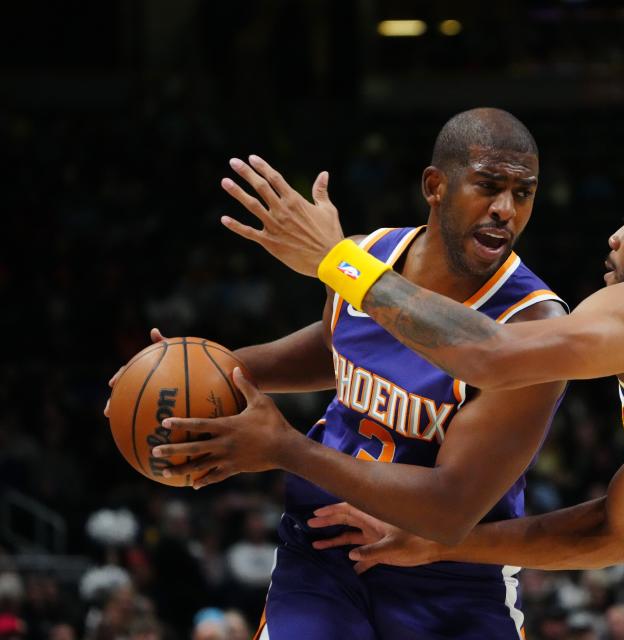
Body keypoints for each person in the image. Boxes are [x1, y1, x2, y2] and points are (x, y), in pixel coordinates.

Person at [156, 159, 624, 638]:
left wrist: (336, 260)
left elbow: (491, 356)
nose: (612, 235)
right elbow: (615, 532)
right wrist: (439, 542)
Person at [109, 108, 568, 638]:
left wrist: (285, 448)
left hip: (450, 576)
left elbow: (449, 509)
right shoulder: (371, 256)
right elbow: (338, 344)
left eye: (523, 193)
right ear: (436, 185)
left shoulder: (534, 323)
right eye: (488, 186)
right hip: (324, 555)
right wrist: (203, 370)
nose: (505, 210)